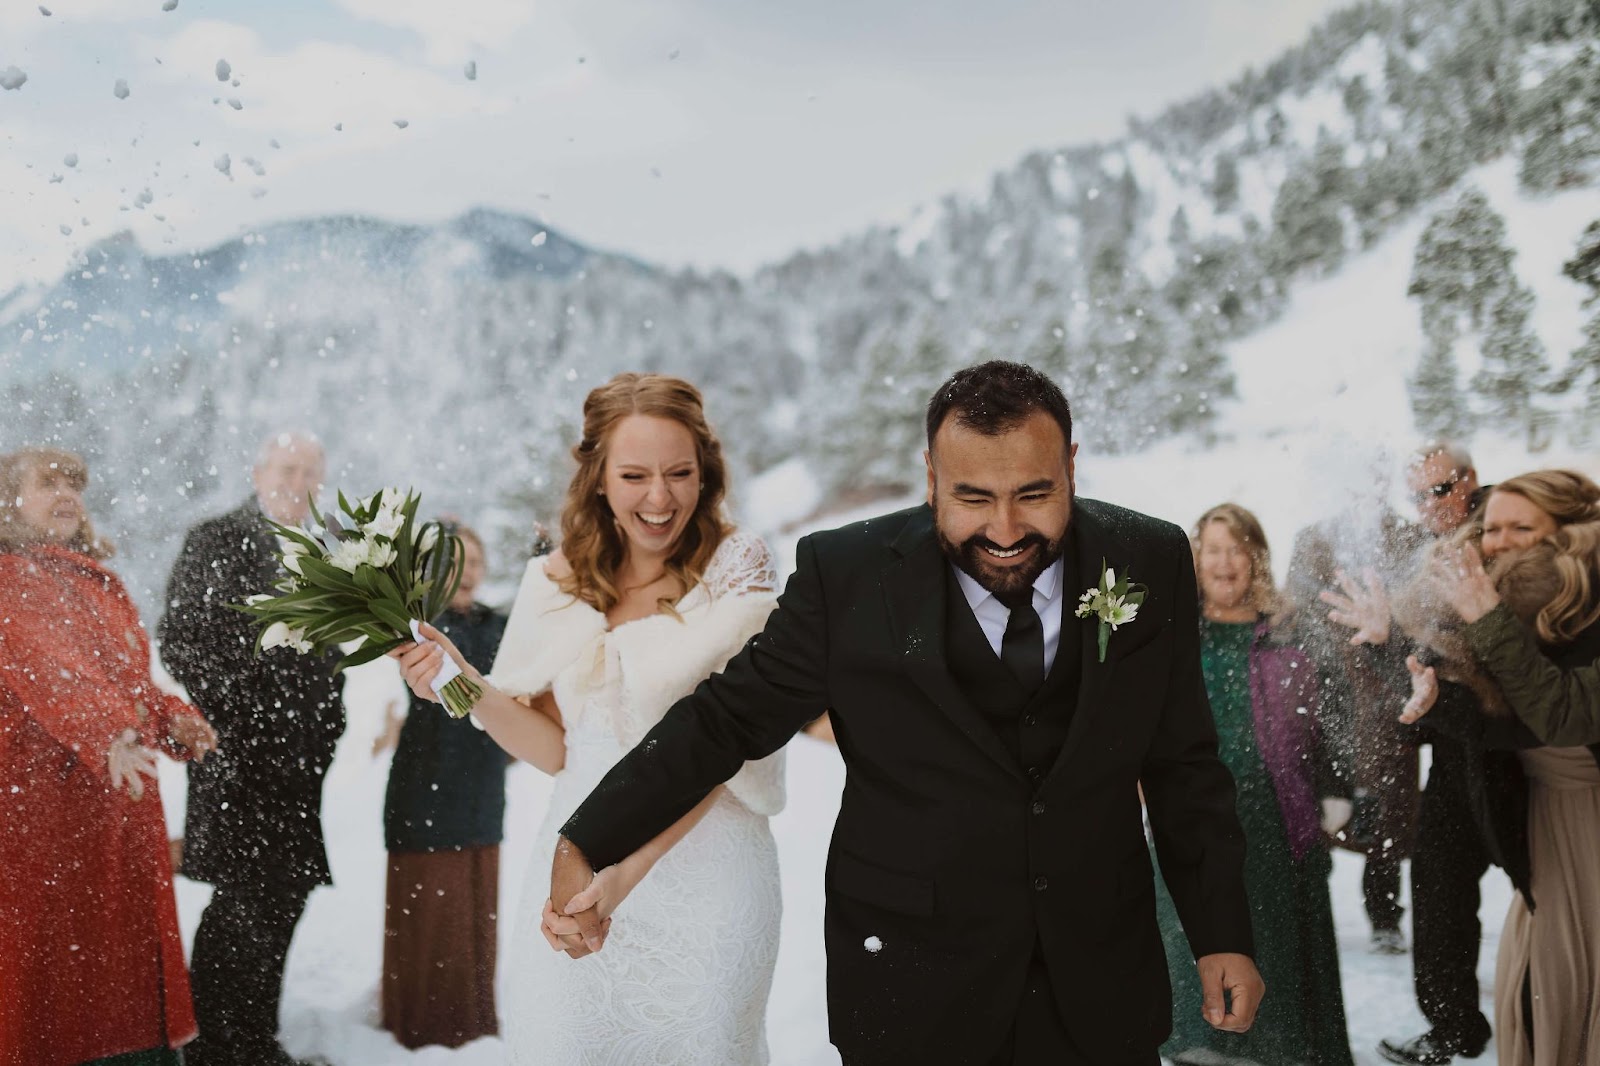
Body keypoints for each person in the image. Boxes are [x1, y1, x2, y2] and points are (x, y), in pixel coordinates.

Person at [539, 360, 1262, 1066]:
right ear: (929, 478)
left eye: (1034, 493)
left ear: (1072, 465)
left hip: (1098, 978)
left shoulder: (1149, 556)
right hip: (913, 982)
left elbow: (1182, 765)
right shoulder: (846, 575)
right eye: (973, 497)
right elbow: (725, 721)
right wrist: (588, 840)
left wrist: (1221, 932)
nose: (1006, 528)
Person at [393, 373, 786, 1064]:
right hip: (572, 870)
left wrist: (625, 870)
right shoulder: (553, 582)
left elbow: (728, 748)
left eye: (680, 473)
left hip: (709, 873)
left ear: (707, 473)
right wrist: (463, 681)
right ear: (598, 478)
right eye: (634, 474)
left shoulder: (736, 569)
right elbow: (554, 750)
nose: (659, 498)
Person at [0, 447, 217, 1066]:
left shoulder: (98, 582)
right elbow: (52, 670)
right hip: (46, 818)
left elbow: (125, 683)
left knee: (117, 968)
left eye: (74, 483)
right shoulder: (9, 577)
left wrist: (174, 719)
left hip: (118, 811)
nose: (65, 493)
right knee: (60, 988)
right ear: (8, 499)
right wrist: (111, 731)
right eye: (47, 483)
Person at [1393, 470, 1600, 1066]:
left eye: (1522, 527)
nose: (1500, 540)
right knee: (1540, 981)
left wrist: (1487, 616)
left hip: (1586, 814)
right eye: (1493, 527)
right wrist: (1411, 674)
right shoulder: (1501, 600)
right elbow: (1499, 719)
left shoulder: (1579, 606)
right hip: (1540, 815)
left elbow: (1557, 715)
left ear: (1565, 531)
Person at [158, 431, 346, 1066]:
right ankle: (215, 1046)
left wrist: (328, 724)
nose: (300, 481)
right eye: (288, 468)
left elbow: (331, 655)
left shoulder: (323, 550)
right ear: (260, 472)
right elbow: (181, 639)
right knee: (242, 902)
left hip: (300, 768)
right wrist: (252, 710)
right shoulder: (215, 538)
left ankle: (254, 1041)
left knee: (283, 895)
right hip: (237, 758)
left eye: (311, 471)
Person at [1157, 504, 1354, 1066]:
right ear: (1195, 560)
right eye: (1212, 549)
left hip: (1275, 815)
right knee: (1185, 936)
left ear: (1256, 559)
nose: (1224, 562)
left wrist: (1337, 789)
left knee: (1275, 943)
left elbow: (1333, 715)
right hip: (1190, 815)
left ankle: (1277, 1049)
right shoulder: (1173, 633)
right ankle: (1198, 1047)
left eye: (1236, 549)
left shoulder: (1293, 632)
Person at [1325, 442, 1500, 1066]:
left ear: (1470, 481)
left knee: (1547, 891)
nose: (1430, 507)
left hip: (1515, 744)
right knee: (1438, 885)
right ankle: (1453, 1025)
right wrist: (1385, 638)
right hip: (1455, 743)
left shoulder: (1502, 532)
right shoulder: (1431, 552)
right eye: (1419, 496)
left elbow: (1486, 649)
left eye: (1439, 491)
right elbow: (1418, 656)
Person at [379, 522, 509, 1049]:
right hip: (424, 784)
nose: (470, 573)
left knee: (474, 906)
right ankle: (421, 1025)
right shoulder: (415, 628)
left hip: (481, 784)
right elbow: (454, 695)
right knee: (430, 909)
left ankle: (473, 1022)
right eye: (458, 563)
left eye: (476, 562)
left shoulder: (499, 624)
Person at [1286, 497, 1426, 954]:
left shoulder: (1407, 535)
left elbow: (1418, 602)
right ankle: (1310, 906)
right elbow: (1301, 602)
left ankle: (1384, 915)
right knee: (1319, 800)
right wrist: (1333, 640)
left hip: (1384, 688)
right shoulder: (1314, 538)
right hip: (1326, 685)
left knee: (1385, 810)